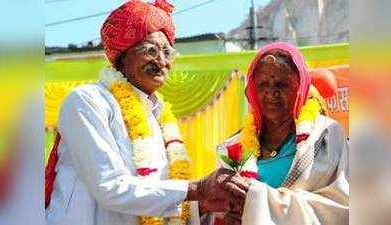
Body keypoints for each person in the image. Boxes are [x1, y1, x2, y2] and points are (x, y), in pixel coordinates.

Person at [44, 1, 248, 225]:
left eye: (167, 52)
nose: (162, 61)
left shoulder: (159, 117)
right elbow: (110, 187)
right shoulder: (88, 101)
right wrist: (198, 189)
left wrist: (205, 206)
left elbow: (155, 193)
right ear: (122, 55)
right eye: (151, 50)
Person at [216, 42, 349, 225]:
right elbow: (215, 208)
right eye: (263, 84)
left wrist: (258, 200)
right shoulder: (233, 147)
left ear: (300, 87)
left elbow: (341, 207)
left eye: (282, 84)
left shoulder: (326, 136)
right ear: (253, 90)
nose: (272, 93)